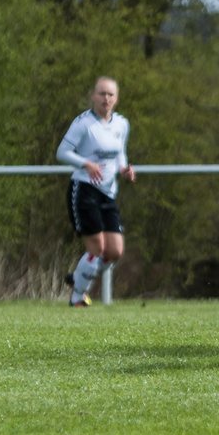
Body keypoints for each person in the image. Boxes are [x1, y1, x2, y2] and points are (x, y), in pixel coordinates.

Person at [57, 76, 136, 307]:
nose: (106, 99)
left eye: (111, 94)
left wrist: (124, 169)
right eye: (102, 94)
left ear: (117, 98)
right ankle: (77, 298)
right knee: (97, 247)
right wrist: (85, 164)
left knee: (115, 251)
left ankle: (78, 277)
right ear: (93, 96)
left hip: (108, 193)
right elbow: (62, 153)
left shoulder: (122, 124)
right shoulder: (83, 124)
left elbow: (120, 152)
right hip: (84, 190)